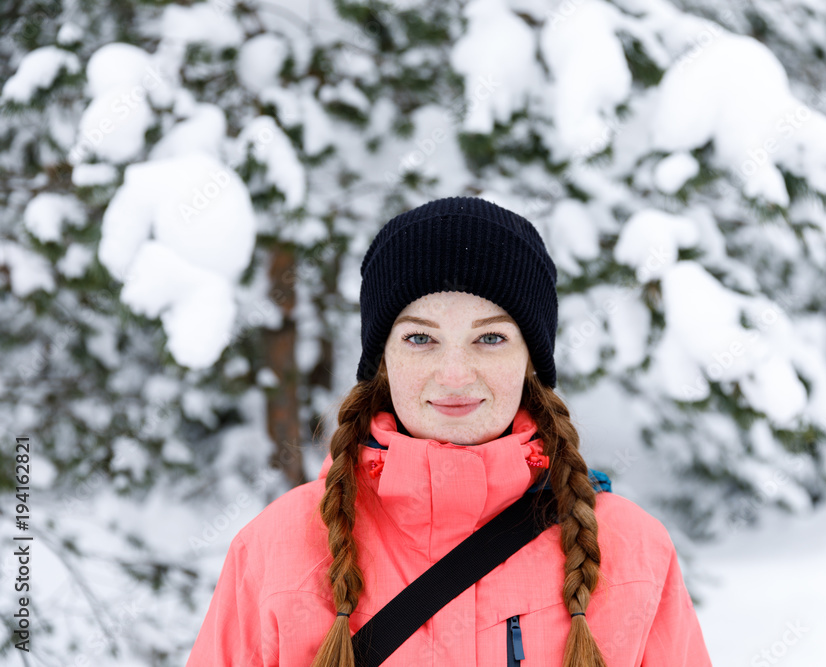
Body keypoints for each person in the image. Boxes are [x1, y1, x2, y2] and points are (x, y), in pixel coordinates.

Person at [186, 196, 713, 666]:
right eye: (420, 338)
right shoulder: (276, 549)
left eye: (490, 339)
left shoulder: (633, 551)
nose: (456, 375)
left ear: (531, 357)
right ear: (383, 357)